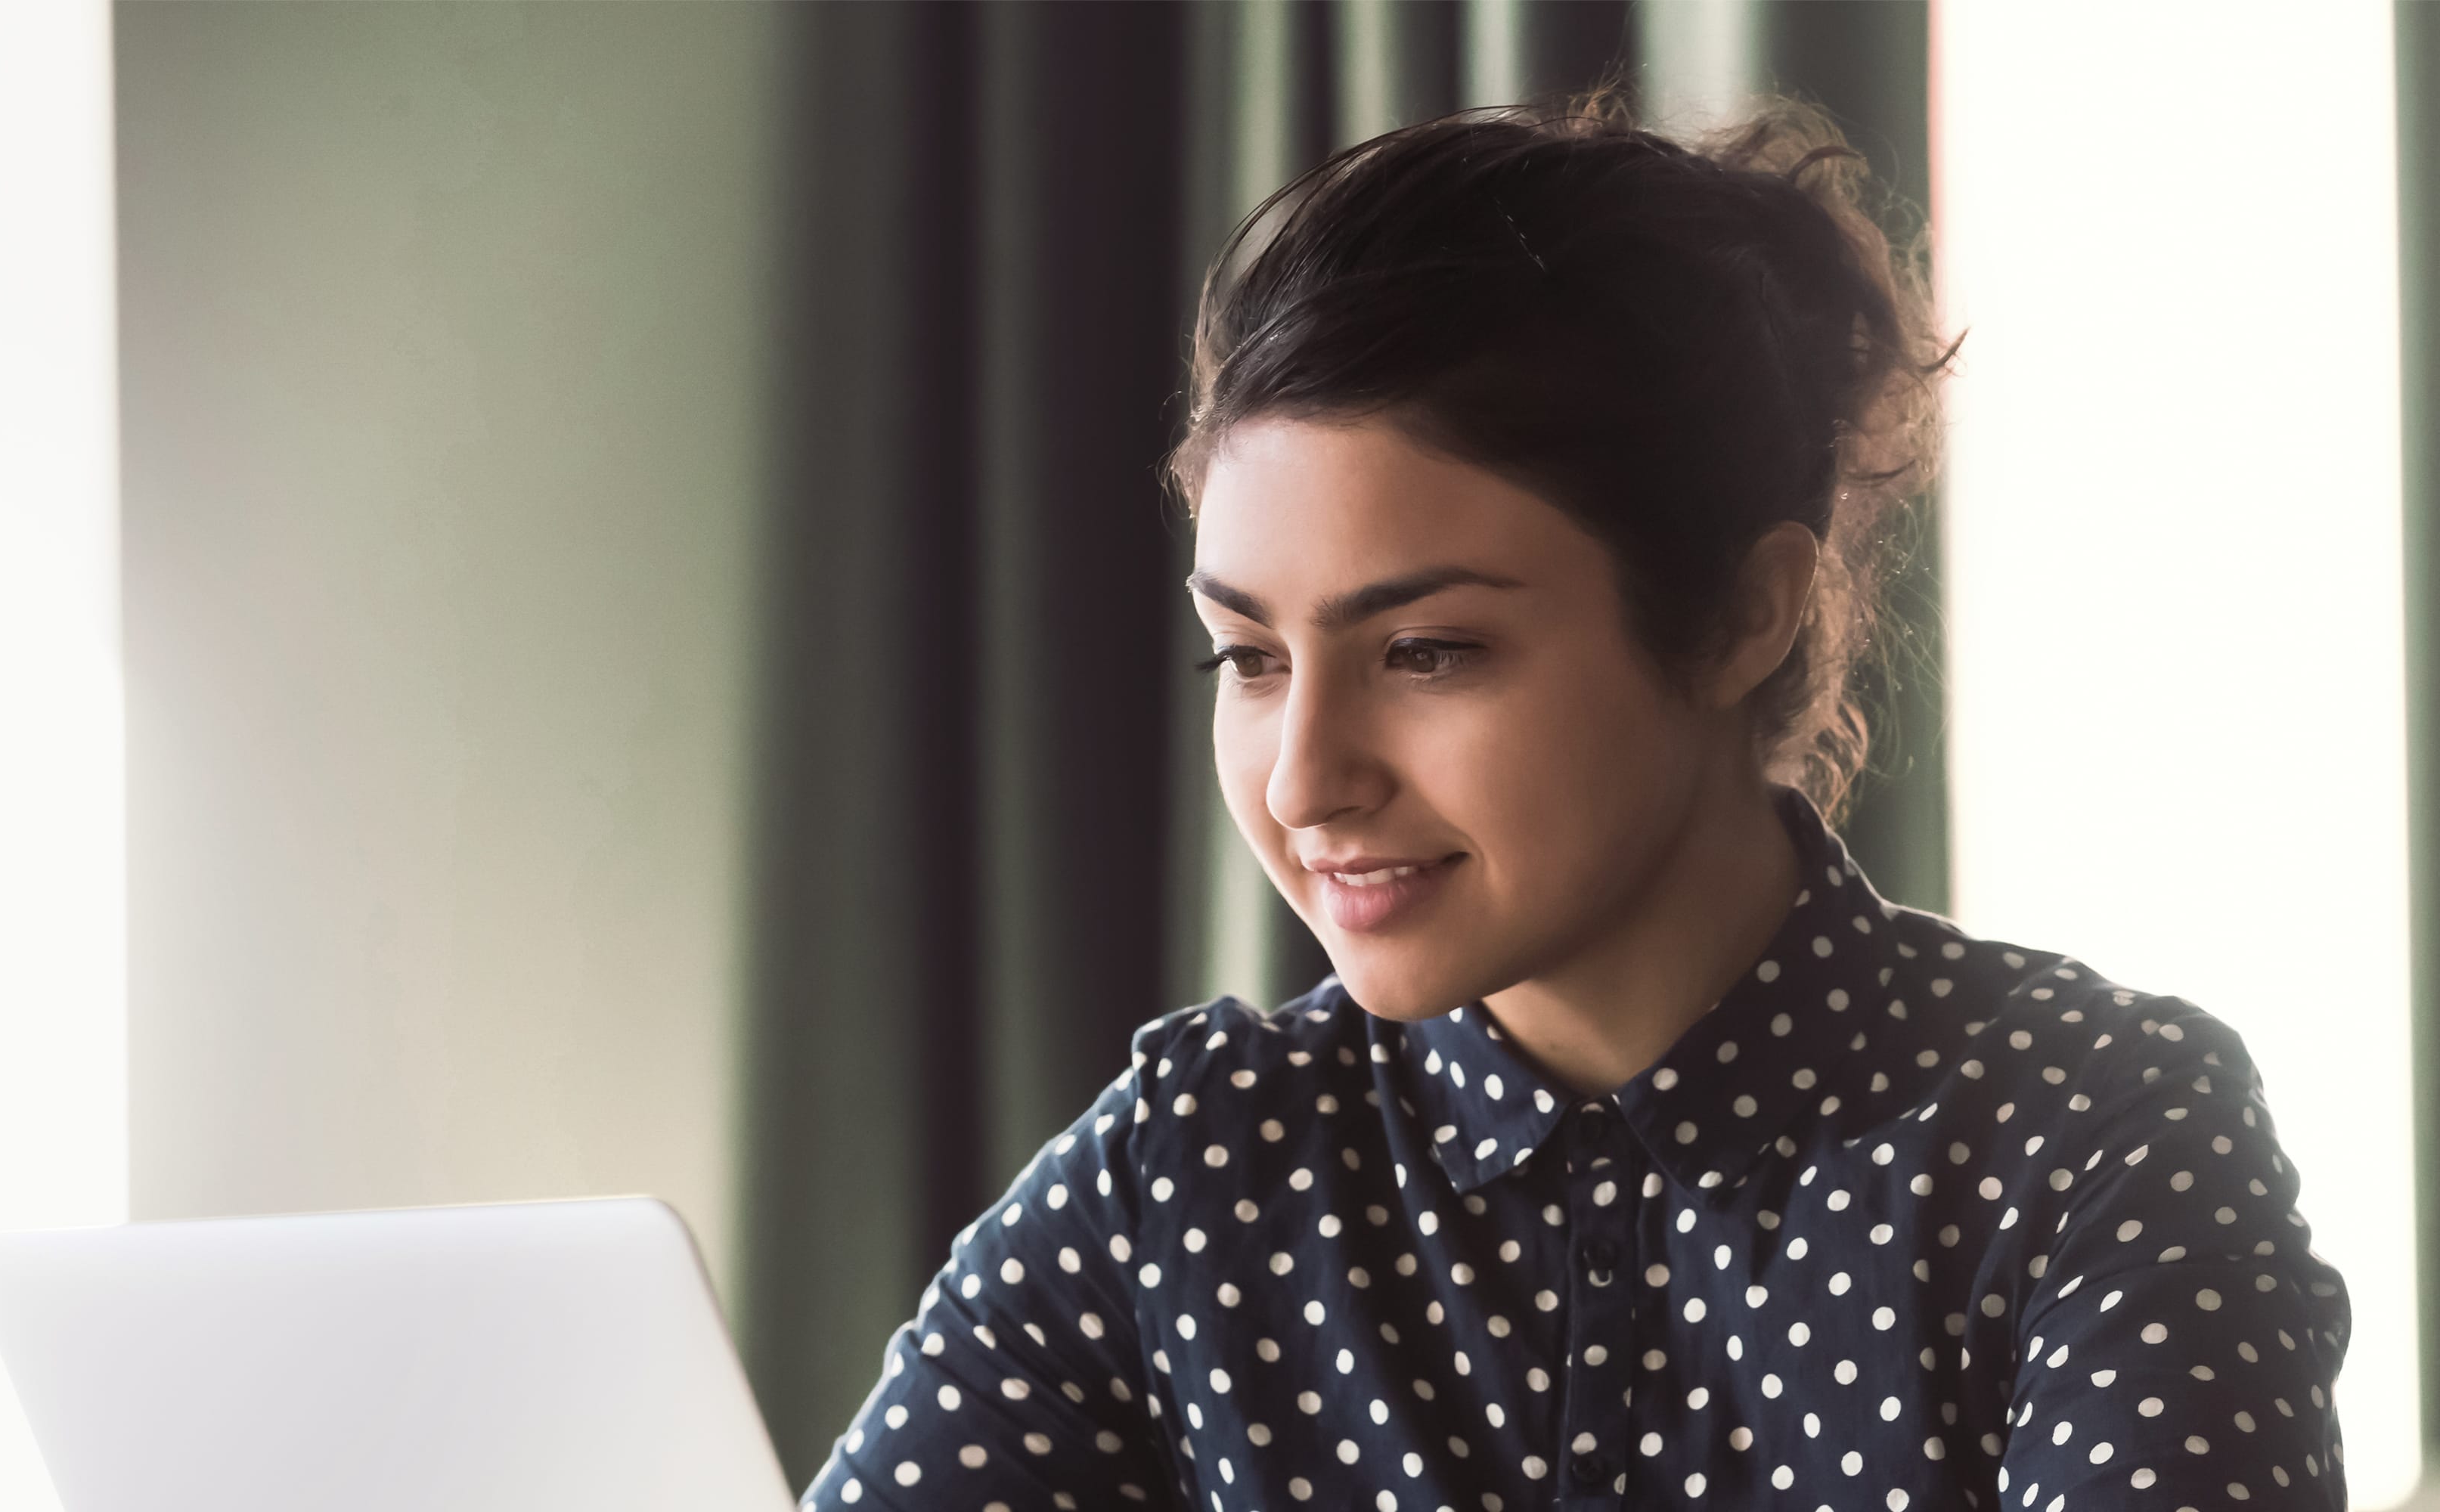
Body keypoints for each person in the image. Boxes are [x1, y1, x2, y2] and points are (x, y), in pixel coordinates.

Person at [802, 97, 2350, 1512]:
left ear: (1747, 611)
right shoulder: (1194, 1166)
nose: (1303, 779)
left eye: (1426, 651)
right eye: (1249, 656)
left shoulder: (2090, 1140)